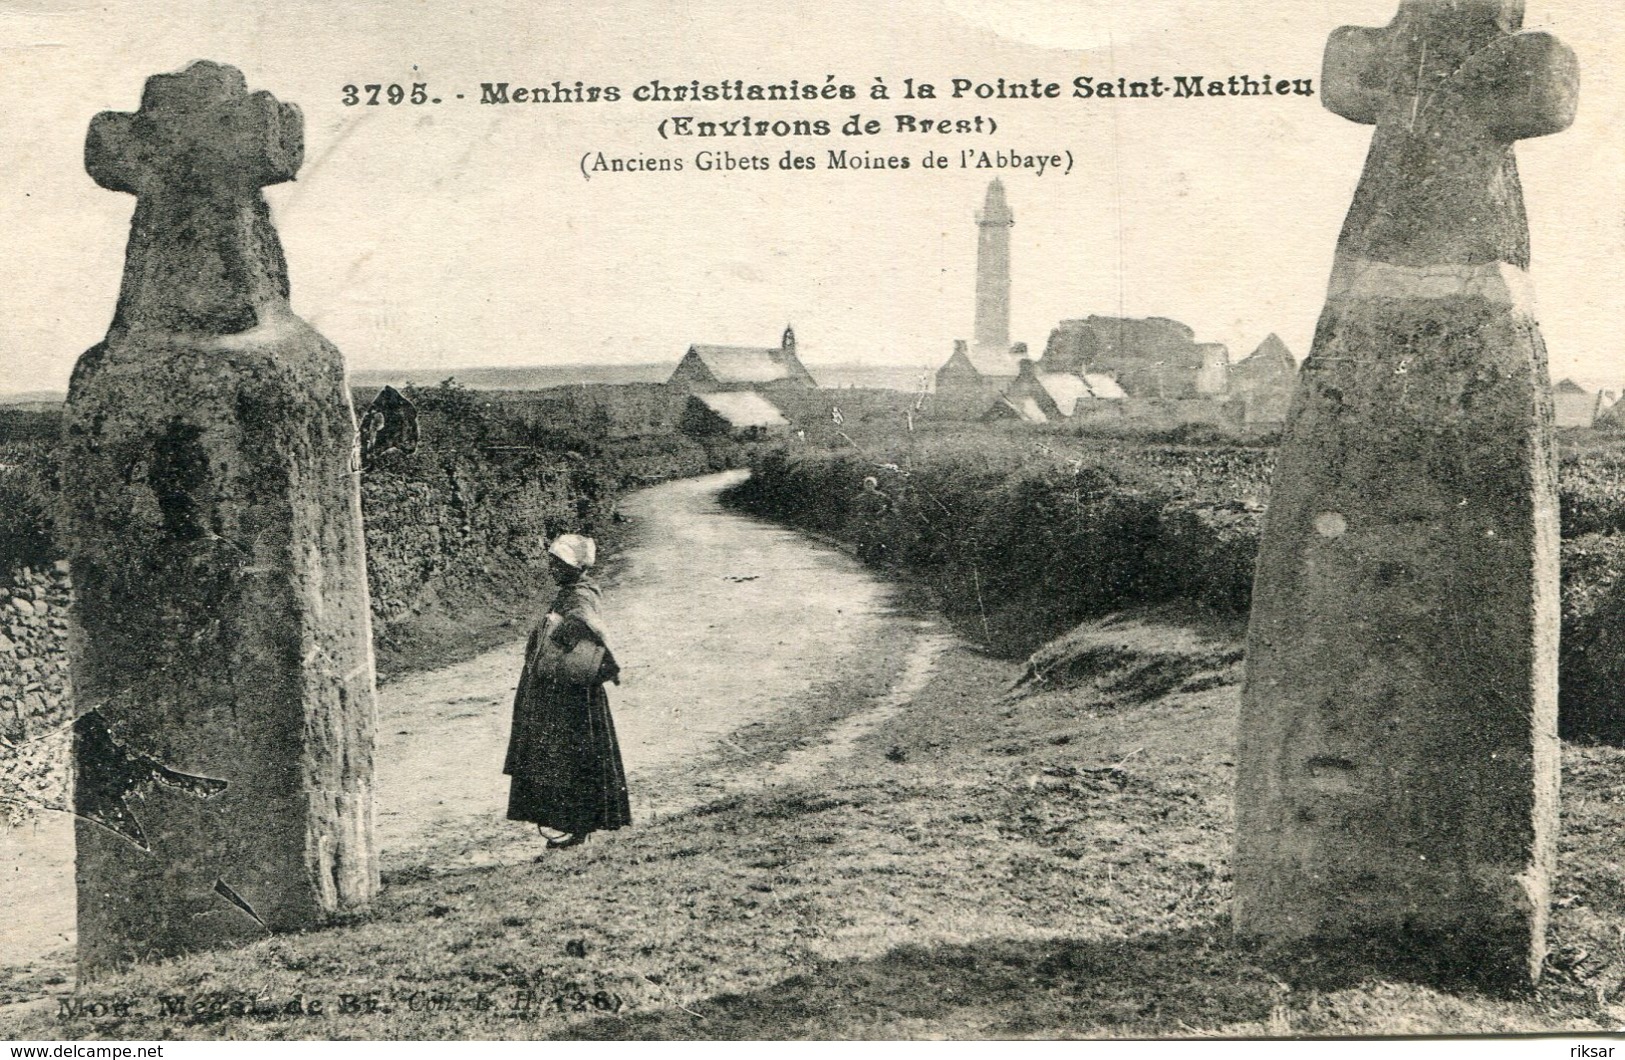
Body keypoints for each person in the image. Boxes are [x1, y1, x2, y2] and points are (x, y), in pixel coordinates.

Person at [503, 533, 631, 851]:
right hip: (561, 689)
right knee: (560, 757)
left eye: (558, 563)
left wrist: (556, 633)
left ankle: (580, 826)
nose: (552, 569)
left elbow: (585, 622)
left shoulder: (581, 593)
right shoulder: (571, 591)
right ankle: (573, 825)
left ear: (575, 567)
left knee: (574, 757)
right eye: (552, 562)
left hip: (572, 693)